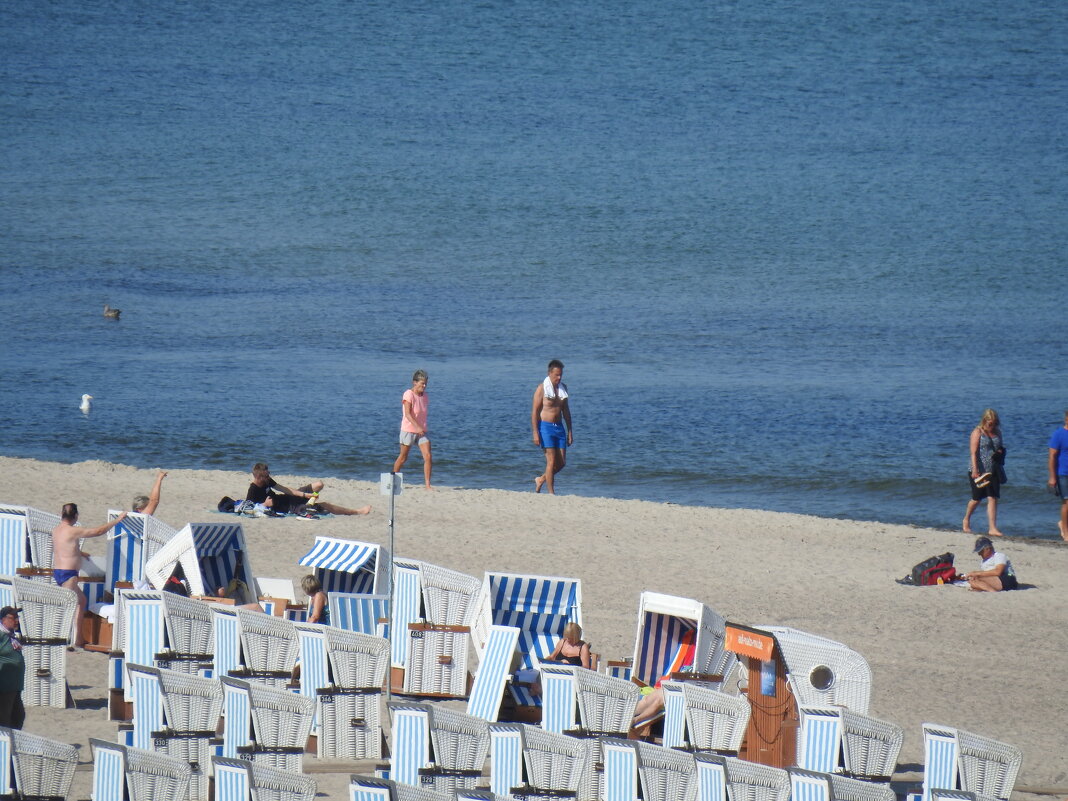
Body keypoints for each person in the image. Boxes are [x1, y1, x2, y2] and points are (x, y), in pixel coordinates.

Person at [51, 504, 127, 649]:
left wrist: (80, 553)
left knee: (81, 600)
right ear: (76, 516)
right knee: (71, 605)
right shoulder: (73, 531)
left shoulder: (56, 530)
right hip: (69, 574)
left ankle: (78, 638)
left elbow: (64, 548)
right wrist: (117, 520)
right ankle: (68, 640)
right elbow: (98, 531)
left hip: (59, 571)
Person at [245, 463, 371, 516]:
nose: (269, 477)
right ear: (258, 477)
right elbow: (247, 508)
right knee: (324, 505)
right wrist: (264, 504)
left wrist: (305, 495)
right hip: (289, 508)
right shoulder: (253, 490)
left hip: (287, 499)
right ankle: (357, 512)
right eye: (266, 476)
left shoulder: (267, 480)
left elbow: (285, 489)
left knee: (318, 485)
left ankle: (309, 499)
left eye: (269, 474)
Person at [532, 359, 573, 494]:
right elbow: (535, 412)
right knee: (551, 461)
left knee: (561, 463)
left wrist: (570, 431)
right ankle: (551, 492)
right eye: (556, 375)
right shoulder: (541, 388)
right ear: (550, 373)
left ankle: (541, 479)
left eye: (561, 374)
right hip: (546, 427)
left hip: (559, 427)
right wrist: (535, 433)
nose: (559, 377)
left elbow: (566, 411)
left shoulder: (563, 388)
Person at [962, 408, 1006, 537]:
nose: (992, 426)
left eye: (995, 423)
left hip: (993, 469)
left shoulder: (997, 432)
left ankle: (992, 527)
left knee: (993, 497)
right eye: (990, 424)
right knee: (977, 498)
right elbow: (973, 453)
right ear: (984, 421)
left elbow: (1000, 447)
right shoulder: (977, 432)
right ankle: (966, 519)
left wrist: (1000, 453)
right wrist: (975, 470)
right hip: (979, 469)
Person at [392, 370, 433, 489]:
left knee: (428, 456)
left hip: (422, 431)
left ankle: (427, 485)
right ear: (414, 382)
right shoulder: (408, 394)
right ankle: (393, 479)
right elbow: (408, 414)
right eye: (422, 383)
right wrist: (417, 427)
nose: (424, 386)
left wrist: (422, 428)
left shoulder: (425, 396)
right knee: (403, 457)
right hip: (408, 430)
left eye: (425, 384)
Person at [0, 607, 25, 729]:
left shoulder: (11, 636)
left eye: (17, 617)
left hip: (15, 686)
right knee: (5, 719)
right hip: (5, 686)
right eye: (13, 617)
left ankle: (12, 744)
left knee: (18, 716)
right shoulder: (1, 635)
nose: (16, 620)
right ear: (3, 619)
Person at [1048, 409, 1068, 542]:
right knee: (1067, 502)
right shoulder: (1059, 434)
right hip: (1063, 473)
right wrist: (1052, 477)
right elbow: (1052, 456)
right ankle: (1065, 531)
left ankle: (1062, 523)